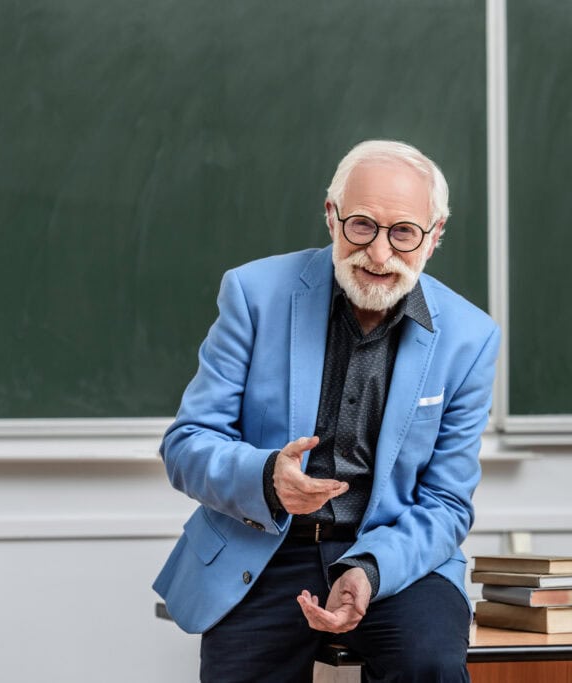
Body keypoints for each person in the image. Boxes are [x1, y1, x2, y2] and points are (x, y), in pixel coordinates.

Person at [153, 139, 500, 682]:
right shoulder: (254, 294)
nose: (379, 255)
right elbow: (187, 444)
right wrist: (268, 479)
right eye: (361, 225)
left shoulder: (471, 338)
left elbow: (446, 502)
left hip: (392, 552)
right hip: (266, 547)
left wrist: (368, 570)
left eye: (404, 233)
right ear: (331, 217)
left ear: (434, 237)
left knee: (428, 664)